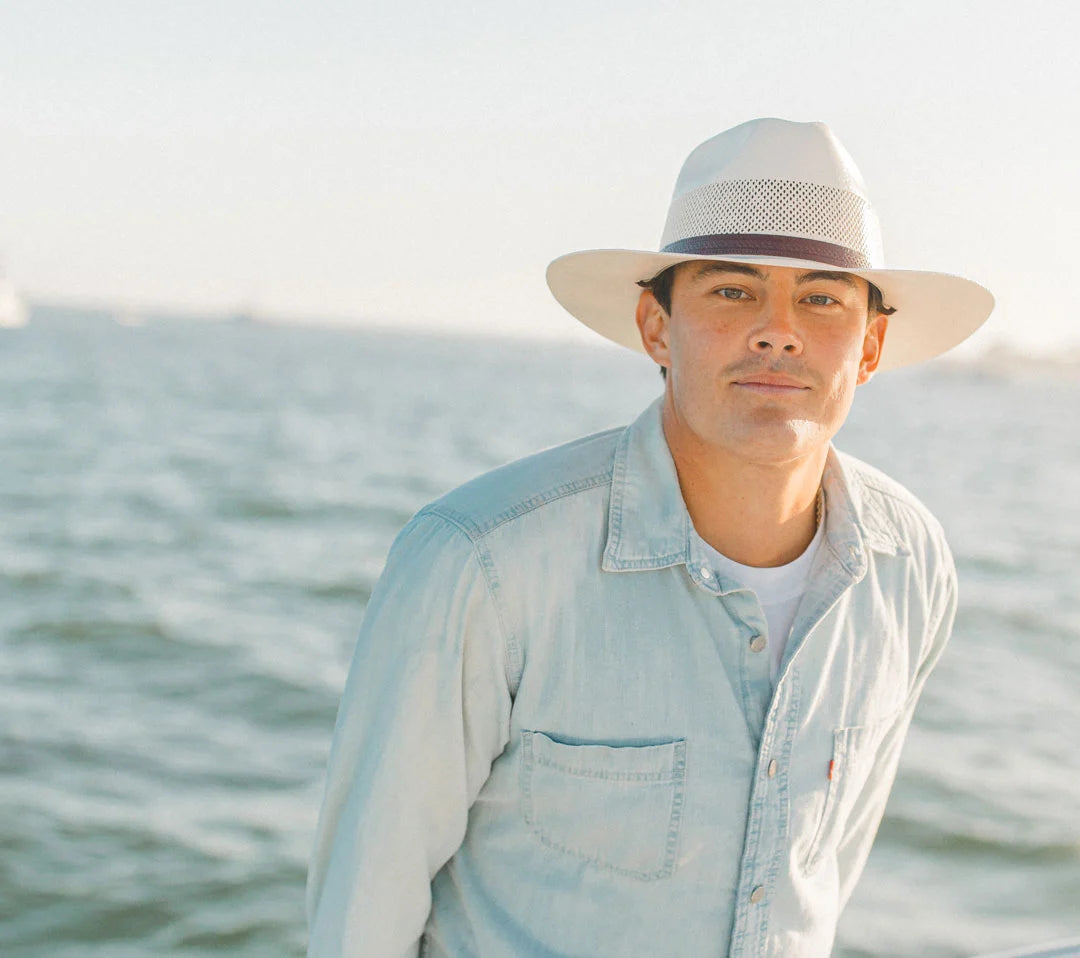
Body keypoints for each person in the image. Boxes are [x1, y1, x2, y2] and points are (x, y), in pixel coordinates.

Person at [306, 117, 994, 958]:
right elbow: (361, 916)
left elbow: (827, 875)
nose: (779, 330)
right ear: (656, 327)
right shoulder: (483, 561)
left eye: (821, 298)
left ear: (872, 343)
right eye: (733, 291)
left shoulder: (909, 565)